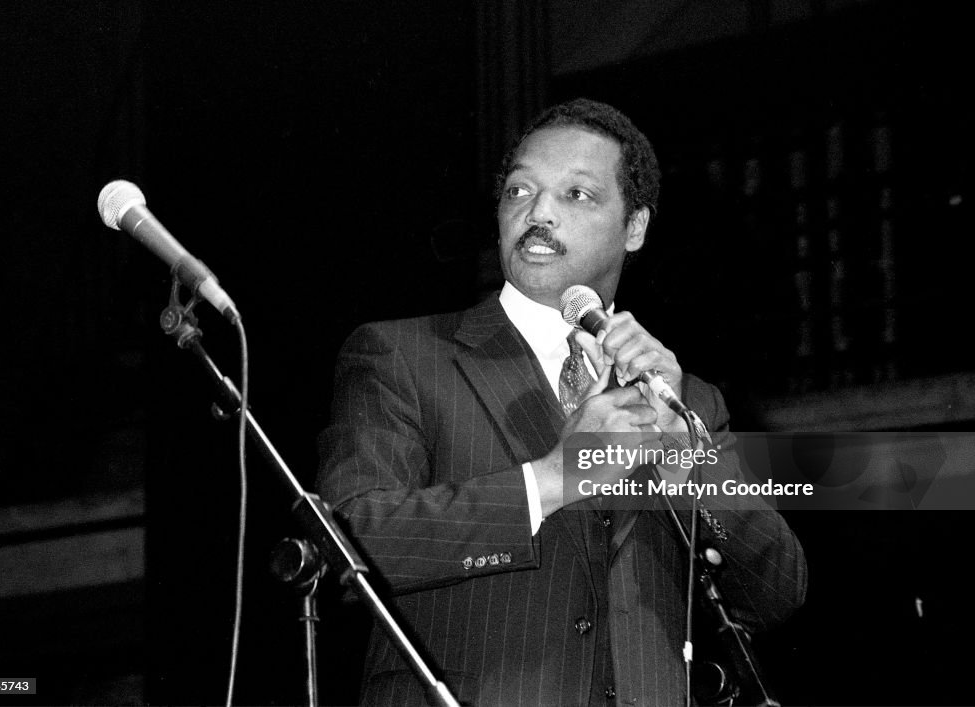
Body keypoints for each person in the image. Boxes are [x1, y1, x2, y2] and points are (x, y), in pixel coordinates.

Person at [316, 98, 806, 706]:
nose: (538, 212)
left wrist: (686, 465)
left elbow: (775, 593)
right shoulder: (402, 355)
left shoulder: (686, 398)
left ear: (635, 228)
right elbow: (348, 543)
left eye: (576, 195)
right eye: (520, 190)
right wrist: (553, 477)